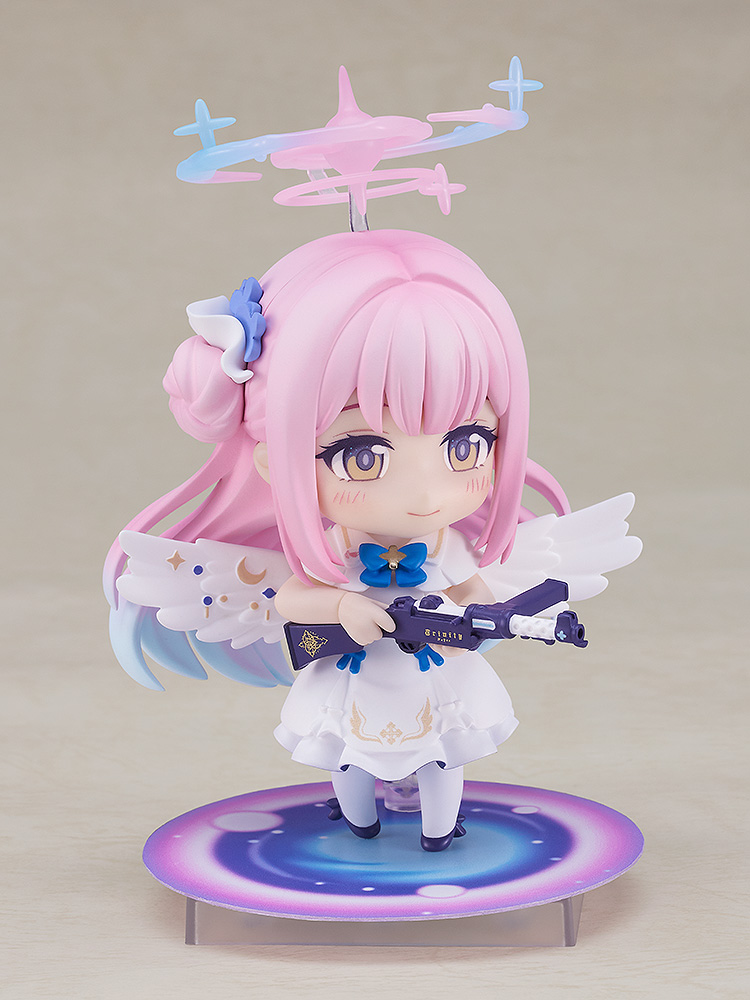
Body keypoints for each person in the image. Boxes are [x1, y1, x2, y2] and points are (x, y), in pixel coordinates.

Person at [105, 228, 640, 850]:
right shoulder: (333, 552)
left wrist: (483, 614)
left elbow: (472, 588)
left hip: (429, 669)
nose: (426, 494)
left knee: (444, 753)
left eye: (466, 446)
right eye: (363, 456)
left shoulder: (442, 547)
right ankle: (360, 819)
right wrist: (341, 606)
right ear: (276, 461)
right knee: (348, 755)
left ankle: (438, 831)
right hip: (355, 668)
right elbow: (291, 599)